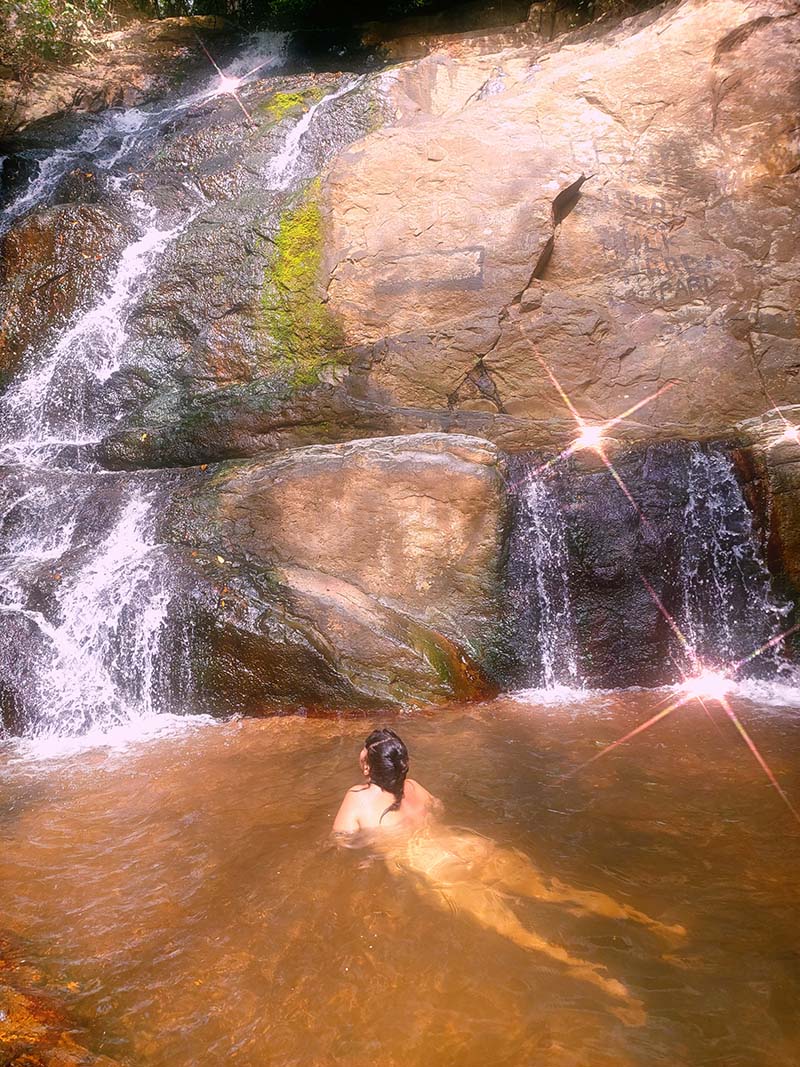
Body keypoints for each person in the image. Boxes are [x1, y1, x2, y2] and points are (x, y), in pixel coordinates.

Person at [333, 728, 685, 1025]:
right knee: (558, 891)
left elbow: (341, 843)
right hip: (470, 848)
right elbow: (439, 809)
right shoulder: (415, 786)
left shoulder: (357, 798)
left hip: (436, 869)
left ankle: (603, 981)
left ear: (368, 765)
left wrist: (372, 858)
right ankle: (656, 926)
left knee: (521, 934)